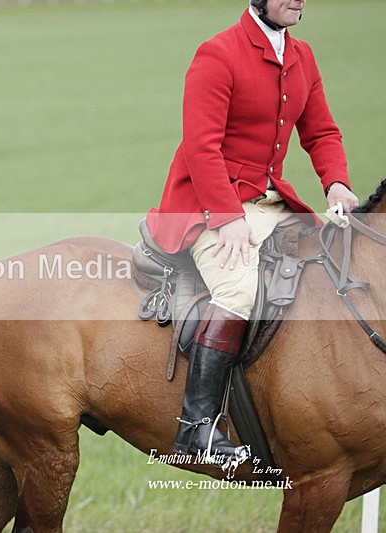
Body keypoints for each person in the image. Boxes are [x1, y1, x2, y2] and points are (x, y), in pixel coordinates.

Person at [146, 0, 359, 466]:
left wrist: (336, 182)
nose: (297, 0)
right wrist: (228, 216)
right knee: (237, 288)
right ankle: (196, 431)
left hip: (269, 201)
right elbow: (202, 148)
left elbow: (321, 132)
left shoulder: (302, 56)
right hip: (204, 203)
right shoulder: (217, 54)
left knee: (334, 258)